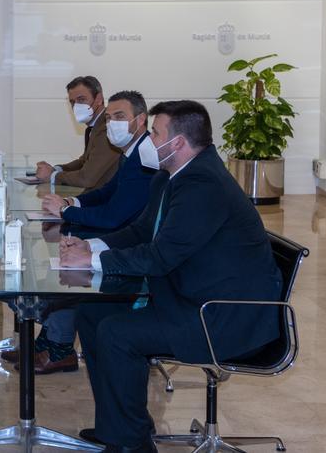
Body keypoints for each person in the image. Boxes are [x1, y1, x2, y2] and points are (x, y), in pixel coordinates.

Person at [58, 100, 282, 452]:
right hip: (188, 298)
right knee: (91, 311)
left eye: (156, 132)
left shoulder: (204, 185)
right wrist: (90, 248)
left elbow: (161, 256)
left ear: (177, 143)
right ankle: (115, 429)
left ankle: (132, 444)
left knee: (117, 333)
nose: (148, 138)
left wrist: (98, 261)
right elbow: (141, 231)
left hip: (220, 314)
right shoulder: (171, 176)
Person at [6, 91, 155, 374]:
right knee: (62, 251)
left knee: (70, 270)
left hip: (131, 244)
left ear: (141, 120)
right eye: (109, 118)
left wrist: (66, 212)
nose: (112, 124)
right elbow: (106, 193)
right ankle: (48, 341)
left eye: (120, 117)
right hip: (121, 232)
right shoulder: (131, 153)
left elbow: (114, 217)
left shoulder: (145, 159)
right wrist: (72, 203)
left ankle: (60, 348)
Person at [33, 76, 121, 192]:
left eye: (81, 99)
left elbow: (87, 178)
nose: (76, 106)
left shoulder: (107, 128)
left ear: (99, 99)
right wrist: (56, 169)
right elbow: (84, 161)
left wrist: (52, 176)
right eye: (72, 102)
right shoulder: (95, 126)